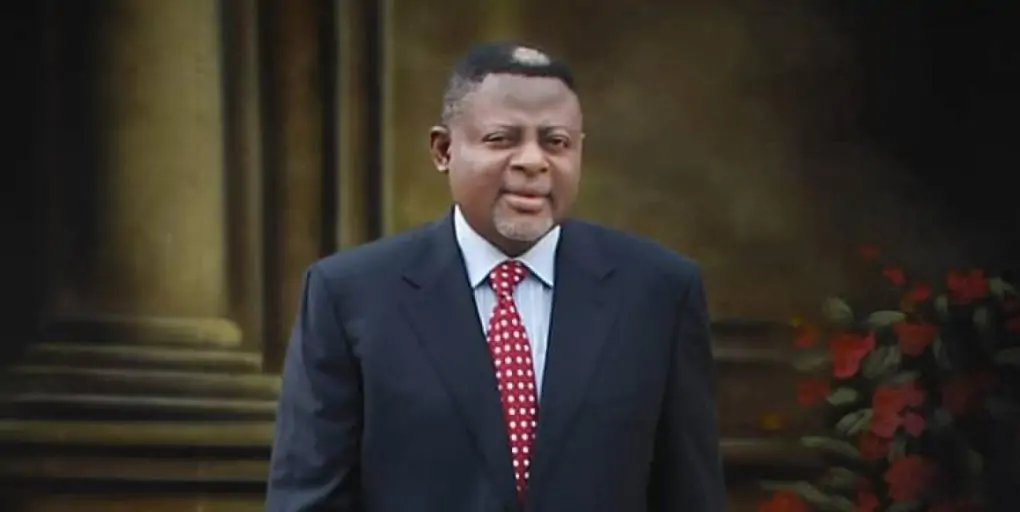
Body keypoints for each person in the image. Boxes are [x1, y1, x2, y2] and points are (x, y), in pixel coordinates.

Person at [266, 41, 725, 512]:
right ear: (443, 149)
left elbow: (691, 493)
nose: (533, 161)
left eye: (556, 142)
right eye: (502, 139)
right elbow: (308, 498)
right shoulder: (349, 295)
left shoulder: (659, 293)